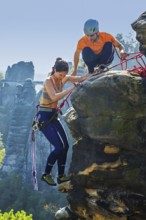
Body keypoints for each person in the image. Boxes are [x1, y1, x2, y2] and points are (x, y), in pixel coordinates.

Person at [38, 58, 91, 186]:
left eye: (64, 75)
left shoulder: (64, 78)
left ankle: (61, 176)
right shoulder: (48, 81)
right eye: (60, 74)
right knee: (59, 147)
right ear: (55, 70)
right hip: (44, 117)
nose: (62, 77)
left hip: (53, 115)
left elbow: (81, 78)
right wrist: (72, 88)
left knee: (66, 146)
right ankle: (46, 174)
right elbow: (54, 97)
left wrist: (95, 73)